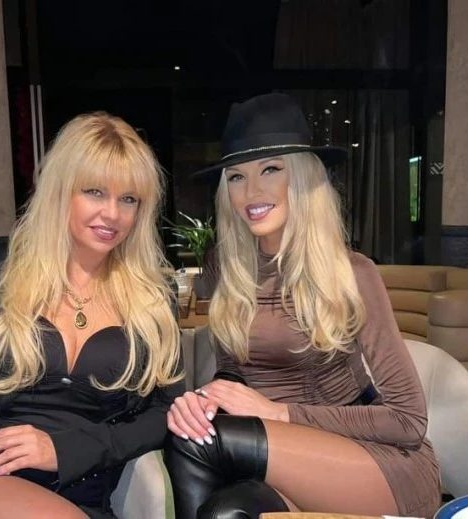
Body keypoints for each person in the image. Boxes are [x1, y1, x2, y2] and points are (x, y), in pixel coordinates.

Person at [0, 112, 183, 519]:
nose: (113, 214)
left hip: (79, 490)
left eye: (128, 199)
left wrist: (64, 449)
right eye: (95, 192)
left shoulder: (152, 295)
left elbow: (165, 412)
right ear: (60, 192)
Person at [165, 93, 440, 519]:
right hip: (278, 458)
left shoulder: (351, 272)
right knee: (225, 510)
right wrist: (208, 398)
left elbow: (408, 421)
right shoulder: (225, 267)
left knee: (195, 439)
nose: (251, 191)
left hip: (370, 459)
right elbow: (235, 368)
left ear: (303, 177)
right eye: (236, 177)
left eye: (270, 170)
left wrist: (278, 412)